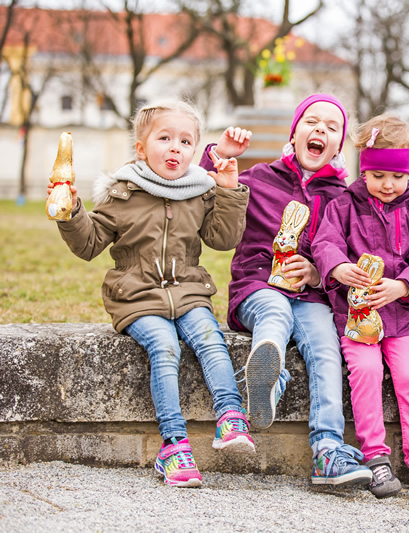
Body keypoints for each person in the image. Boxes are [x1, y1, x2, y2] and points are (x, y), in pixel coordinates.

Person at [49, 99, 253, 487]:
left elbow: (223, 239)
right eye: (164, 138)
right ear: (141, 148)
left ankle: (230, 417)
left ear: (195, 149)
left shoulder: (200, 191)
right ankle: (174, 445)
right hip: (137, 296)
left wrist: (228, 190)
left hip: (189, 292)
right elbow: (89, 244)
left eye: (185, 141)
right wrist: (71, 211)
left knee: (211, 340)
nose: (175, 148)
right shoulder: (122, 193)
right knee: (164, 346)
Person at [200, 94, 372, 486]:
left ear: (339, 146)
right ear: (294, 133)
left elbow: (344, 253)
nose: (320, 131)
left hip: (311, 296)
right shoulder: (260, 177)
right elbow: (209, 192)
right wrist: (217, 154)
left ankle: (327, 450)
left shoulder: (340, 198)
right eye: (312, 122)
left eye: (332, 128)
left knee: (327, 348)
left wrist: (317, 273)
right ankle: (268, 383)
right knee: (274, 311)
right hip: (258, 285)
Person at [312, 114, 409, 499]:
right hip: (356, 315)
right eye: (378, 175)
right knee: (366, 370)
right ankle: (374, 456)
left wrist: (402, 285)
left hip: (403, 316)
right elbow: (325, 244)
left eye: (397, 177)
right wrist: (339, 268)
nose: (388, 185)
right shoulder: (344, 205)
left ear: (408, 174)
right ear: (365, 170)